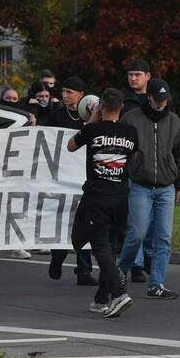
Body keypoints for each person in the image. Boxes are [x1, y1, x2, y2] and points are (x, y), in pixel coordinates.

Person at [67, 88, 138, 318]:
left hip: (97, 196)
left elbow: (71, 145)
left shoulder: (92, 129)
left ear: (101, 107)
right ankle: (102, 298)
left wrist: (92, 120)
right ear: (122, 108)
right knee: (111, 247)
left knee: (98, 245)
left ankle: (118, 293)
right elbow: (134, 157)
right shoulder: (130, 132)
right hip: (121, 196)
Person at [118, 78, 180, 298]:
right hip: (140, 184)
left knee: (164, 237)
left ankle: (156, 283)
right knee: (137, 233)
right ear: (148, 97)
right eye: (158, 99)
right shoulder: (131, 119)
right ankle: (122, 270)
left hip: (166, 186)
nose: (162, 103)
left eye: (165, 99)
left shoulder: (174, 121)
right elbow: (120, 150)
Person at [47, 76, 96, 286]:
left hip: (85, 175)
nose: (65, 95)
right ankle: (57, 256)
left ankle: (84, 270)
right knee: (62, 219)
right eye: (63, 91)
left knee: (84, 222)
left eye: (69, 92)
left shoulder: (92, 116)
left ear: (81, 95)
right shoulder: (56, 115)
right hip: (62, 175)